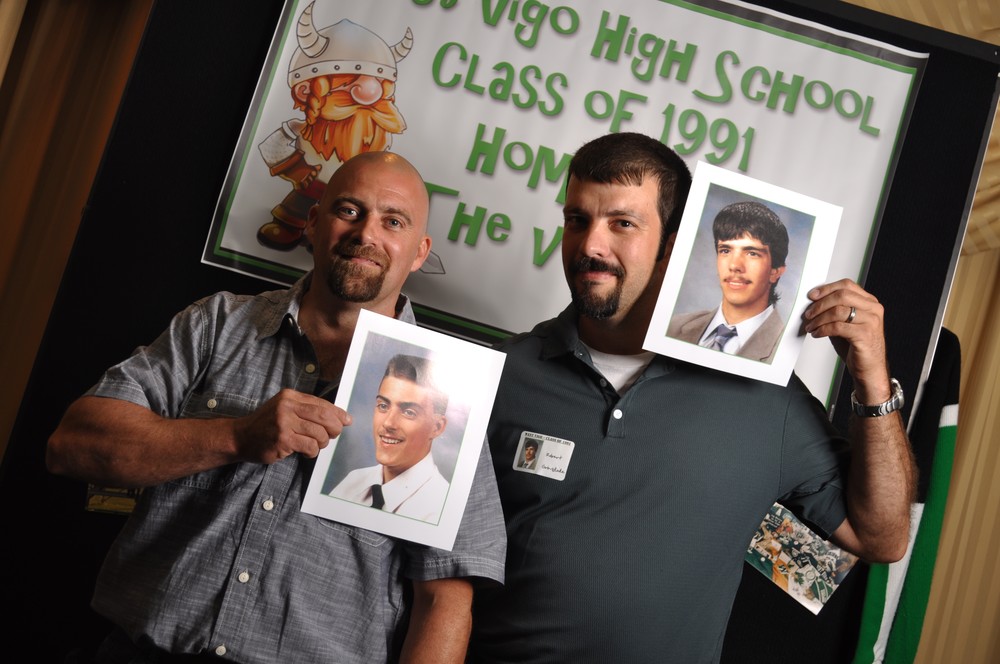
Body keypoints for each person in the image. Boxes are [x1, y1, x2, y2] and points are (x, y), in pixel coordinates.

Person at [467, 132, 916, 663]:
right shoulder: (498, 372)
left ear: (673, 247)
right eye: (577, 220)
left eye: (622, 223)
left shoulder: (765, 396)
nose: (590, 245)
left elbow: (883, 539)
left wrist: (872, 379)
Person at [46, 152, 506, 664]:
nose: (366, 234)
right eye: (349, 211)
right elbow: (72, 446)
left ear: (419, 252)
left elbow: (444, 599)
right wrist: (235, 437)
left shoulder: (452, 391)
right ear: (313, 222)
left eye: (393, 221)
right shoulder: (216, 324)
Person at [330, 353, 451, 522]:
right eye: (383, 406)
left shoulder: (441, 512)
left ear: (436, 427)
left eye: (409, 412)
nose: (388, 423)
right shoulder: (352, 483)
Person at [668, 200, 790, 363]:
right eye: (725, 250)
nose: (734, 265)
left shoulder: (784, 352)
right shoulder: (674, 326)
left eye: (752, 253)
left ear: (775, 271)